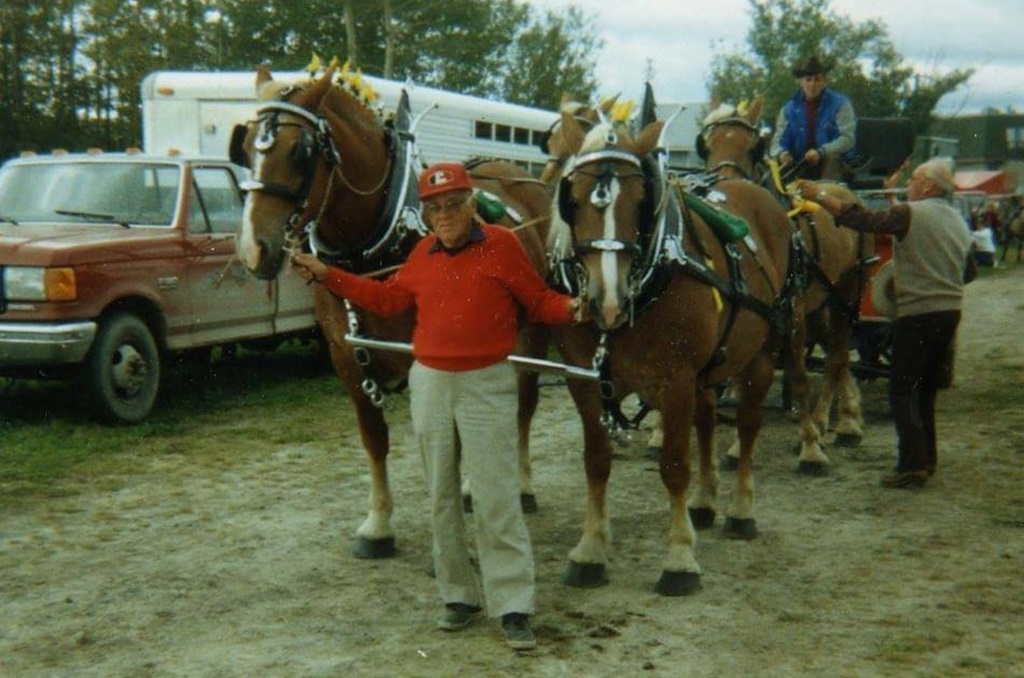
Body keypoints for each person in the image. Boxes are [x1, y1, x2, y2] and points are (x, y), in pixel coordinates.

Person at [292, 162, 582, 650]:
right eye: (435, 208)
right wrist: (328, 275)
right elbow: (386, 300)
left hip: (487, 384)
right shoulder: (422, 253)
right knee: (442, 496)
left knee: (495, 497)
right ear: (425, 214)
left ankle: (512, 604)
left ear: (471, 205)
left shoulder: (502, 246)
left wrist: (573, 308)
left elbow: (537, 301)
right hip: (429, 383)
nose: (445, 215)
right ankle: (458, 597)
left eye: (454, 205)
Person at [796, 157, 976, 489]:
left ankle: (911, 467)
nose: (908, 182)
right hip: (950, 311)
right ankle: (927, 459)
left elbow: (863, 219)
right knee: (925, 393)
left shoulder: (911, 213)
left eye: (915, 178)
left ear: (928, 186)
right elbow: (971, 272)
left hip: (917, 312)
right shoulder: (957, 221)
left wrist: (819, 196)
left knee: (903, 389)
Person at [771, 55, 857, 181]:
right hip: (799, 165)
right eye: (808, 79)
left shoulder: (841, 104)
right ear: (801, 82)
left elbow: (847, 139)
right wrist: (781, 154)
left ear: (824, 82)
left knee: (832, 160)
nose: (812, 84)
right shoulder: (788, 109)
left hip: (834, 165)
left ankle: (825, 195)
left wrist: (821, 152)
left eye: (817, 80)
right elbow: (777, 142)